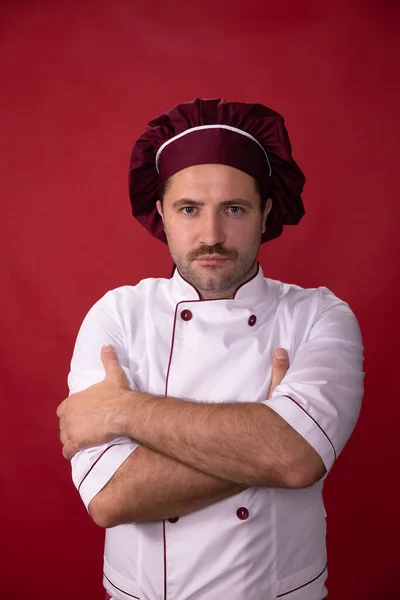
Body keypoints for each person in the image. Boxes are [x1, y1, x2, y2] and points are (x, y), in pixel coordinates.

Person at [57, 98, 364, 600]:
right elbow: (112, 498)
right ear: (161, 213)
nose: (212, 236)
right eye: (189, 209)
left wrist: (121, 409)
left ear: (265, 213)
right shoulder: (118, 316)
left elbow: (295, 459)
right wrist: (264, 436)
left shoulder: (320, 317)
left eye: (235, 209)